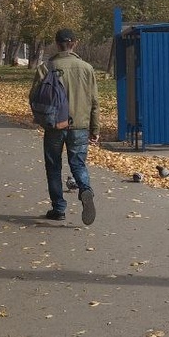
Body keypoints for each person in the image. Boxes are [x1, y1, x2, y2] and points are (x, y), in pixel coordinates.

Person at [28, 28, 99, 225]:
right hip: (80, 126)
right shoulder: (87, 68)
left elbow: (33, 97)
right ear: (74, 43)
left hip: (54, 126)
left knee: (53, 166)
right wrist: (95, 129)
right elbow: (94, 101)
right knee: (78, 163)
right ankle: (85, 189)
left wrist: (41, 119)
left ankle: (58, 208)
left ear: (57, 43)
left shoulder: (46, 67)